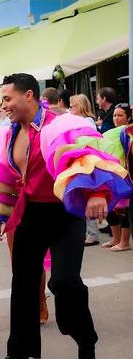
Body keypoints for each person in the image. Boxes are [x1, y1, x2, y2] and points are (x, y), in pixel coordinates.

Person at [0, 73, 131, 359]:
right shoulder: (8, 134)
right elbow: (5, 177)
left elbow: (87, 157)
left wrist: (98, 194)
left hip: (65, 213)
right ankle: (19, 349)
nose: (4, 105)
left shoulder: (62, 124)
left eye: (8, 98)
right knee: (22, 281)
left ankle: (85, 342)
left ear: (30, 96)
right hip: (30, 214)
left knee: (64, 282)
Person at [100, 104, 133, 252]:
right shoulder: (111, 132)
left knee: (124, 209)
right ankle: (116, 239)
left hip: (124, 174)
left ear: (128, 117)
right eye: (114, 115)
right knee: (111, 209)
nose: (116, 118)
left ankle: (124, 242)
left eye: (120, 115)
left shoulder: (127, 132)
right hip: (111, 174)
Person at [69, 94, 99, 245]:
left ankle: (92, 233)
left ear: (79, 106)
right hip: (82, 162)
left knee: (87, 196)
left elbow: (89, 141)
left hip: (87, 163)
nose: (70, 109)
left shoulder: (86, 121)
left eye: (72, 106)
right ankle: (90, 232)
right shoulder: (85, 121)